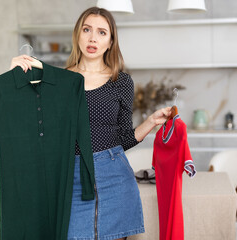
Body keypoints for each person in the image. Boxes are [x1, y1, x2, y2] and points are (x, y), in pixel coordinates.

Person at [10, 6, 172, 240]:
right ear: (78, 34)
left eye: (102, 32)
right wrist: (15, 76)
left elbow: (124, 138)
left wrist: (150, 122)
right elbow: (30, 125)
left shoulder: (121, 82)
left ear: (110, 42)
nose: (93, 37)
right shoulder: (56, 80)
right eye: (87, 29)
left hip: (115, 175)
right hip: (71, 176)